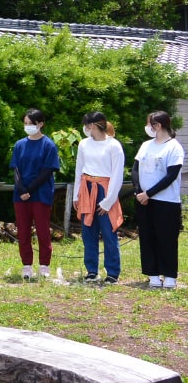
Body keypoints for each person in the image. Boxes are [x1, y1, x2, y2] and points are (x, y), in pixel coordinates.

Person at [133, 111, 184, 289]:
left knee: (167, 238)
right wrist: (140, 192)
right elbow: (135, 170)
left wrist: (150, 193)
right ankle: (152, 274)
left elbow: (171, 176)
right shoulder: (146, 145)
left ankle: (169, 275)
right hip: (144, 200)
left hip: (166, 201)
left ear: (158, 125)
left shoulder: (174, 147)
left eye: (150, 124)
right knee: (147, 237)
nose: (148, 128)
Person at [72, 111, 125, 284]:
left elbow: (117, 175)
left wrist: (108, 201)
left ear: (92, 126)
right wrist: (76, 195)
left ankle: (112, 272)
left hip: (105, 189)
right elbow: (79, 170)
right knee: (89, 232)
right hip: (86, 188)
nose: (85, 128)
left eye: (86, 125)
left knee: (109, 232)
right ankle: (92, 270)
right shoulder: (83, 144)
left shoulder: (114, 145)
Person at [10, 109, 61, 280]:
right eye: (25, 123)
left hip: (41, 194)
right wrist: (21, 189)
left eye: (31, 123)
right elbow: (15, 169)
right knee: (23, 231)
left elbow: (47, 171)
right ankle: (26, 265)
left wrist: (29, 190)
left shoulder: (49, 145)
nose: (27, 126)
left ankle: (44, 265)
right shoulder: (19, 145)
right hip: (20, 195)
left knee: (42, 230)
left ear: (40, 124)